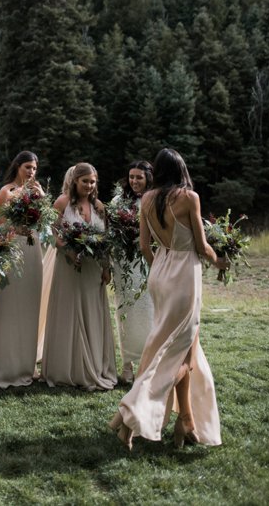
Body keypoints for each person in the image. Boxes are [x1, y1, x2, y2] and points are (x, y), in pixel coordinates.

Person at [109, 148, 228, 450]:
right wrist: (221, 262)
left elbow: (145, 246)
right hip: (185, 275)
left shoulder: (147, 199)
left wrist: (161, 268)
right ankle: (131, 414)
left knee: (174, 346)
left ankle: (185, 420)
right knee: (178, 353)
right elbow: (201, 246)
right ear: (182, 169)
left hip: (160, 272)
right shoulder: (189, 198)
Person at [42, 162, 117, 389]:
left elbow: (106, 240)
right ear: (75, 181)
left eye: (93, 182)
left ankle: (92, 365)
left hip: (93, 269)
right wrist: (67, 249)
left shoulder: (100, 207)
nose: (89, 185)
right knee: (69, 312)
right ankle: (66, 368)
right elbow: (51, 231)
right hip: (69, 267)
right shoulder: (62, 202)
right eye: (85, 181)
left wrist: (106, 267)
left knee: (92, 313)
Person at [0, 150, 44, 387]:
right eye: (28, 167)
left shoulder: (36, 191)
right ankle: (4, 366)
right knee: (10, 305)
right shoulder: (6, 192)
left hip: (33, 246)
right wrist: (17, 231)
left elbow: (46, 221)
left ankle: (26, 365)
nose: (31, 172)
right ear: (17, 166)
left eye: (35, 168)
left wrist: (41, 197)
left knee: (30, 305)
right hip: (13, 247)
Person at [110, 159, 155, 384]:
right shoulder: (119, 200)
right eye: (131, 177)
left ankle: (148, 364)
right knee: (125, 312)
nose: (134, 181)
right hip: (124, 264)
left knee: (149, 312)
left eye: (139, 177)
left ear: (148, 178)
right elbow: (111, 229)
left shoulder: (155, 199)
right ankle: (127, 365)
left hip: (147, 261)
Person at [36, 165, 75, 361]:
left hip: (79, 255)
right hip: (58, 252)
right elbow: (50, 229)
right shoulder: (63, 201)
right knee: (51, 296)